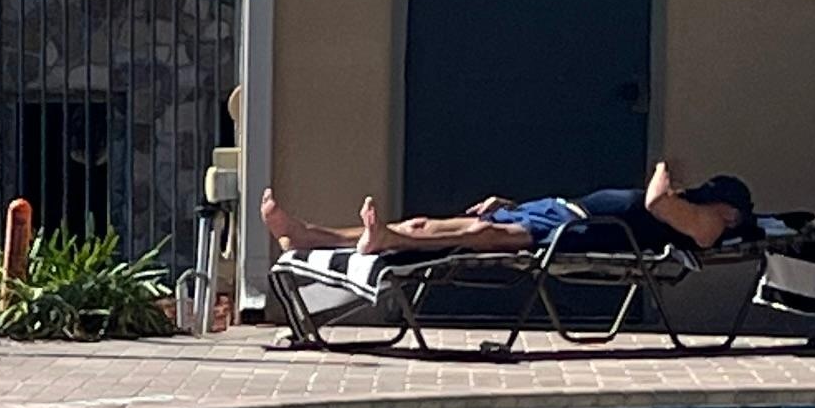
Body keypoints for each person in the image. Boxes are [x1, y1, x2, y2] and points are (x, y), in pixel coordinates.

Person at [266, 164, 754, 264]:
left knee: (480, 234)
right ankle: (310, 235)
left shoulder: (713, 224)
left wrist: (669, 171)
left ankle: (389, 242)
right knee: (428, 220)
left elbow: (653, 202)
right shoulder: (703, 210)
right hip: (560, 213)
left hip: (576, 234)